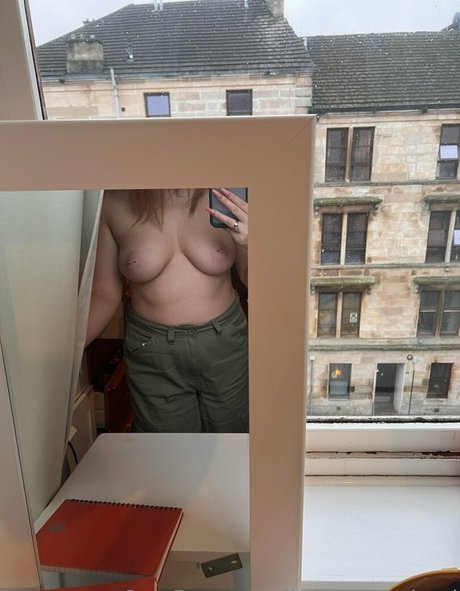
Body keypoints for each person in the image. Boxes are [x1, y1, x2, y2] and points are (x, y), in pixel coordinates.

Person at [86, 188, 248, 433]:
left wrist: (251, 245)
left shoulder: (226, 194)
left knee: (233, 442)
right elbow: (104, 293)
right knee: (167, 451)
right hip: (152, 352)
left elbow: (252, 278)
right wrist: (62, 354)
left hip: (226, 343)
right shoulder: (114, 200)